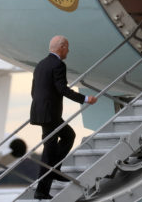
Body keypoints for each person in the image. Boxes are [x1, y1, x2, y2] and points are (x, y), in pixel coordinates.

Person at [30, 35, 98, 200]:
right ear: (60, 47)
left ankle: (55, 169)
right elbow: (62, 89)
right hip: (50, 113)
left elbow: (34, 90)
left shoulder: (41, 64)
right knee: (50, 150)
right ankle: (42, 189)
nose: (68, 50)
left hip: (40, 111)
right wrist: (85, 99)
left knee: (67, 136)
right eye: (67, 47)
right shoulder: (58, 64)